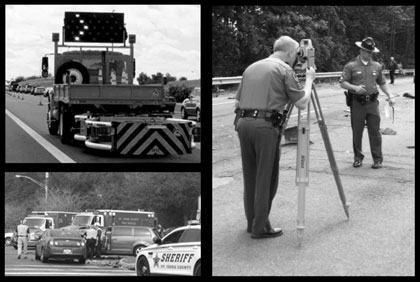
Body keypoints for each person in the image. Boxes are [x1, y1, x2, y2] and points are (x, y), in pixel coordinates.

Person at [234, 35, 316, 239]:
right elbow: (302, 103)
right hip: (266, 127)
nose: (297, 57)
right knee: (266, 178)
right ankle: (261, 227)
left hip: (243, 124)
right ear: (290, 52)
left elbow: (237, 103)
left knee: (251, 176)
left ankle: (252, 221)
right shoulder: (284, 70)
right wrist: (309, 81)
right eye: (296, 53)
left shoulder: (251, 68)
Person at [339, 37, 395, 169]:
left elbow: (382, 82)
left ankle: (377, 159)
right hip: (357, 103)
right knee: (357, 132)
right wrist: (354, 88)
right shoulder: (351, 66)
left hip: (372, 103)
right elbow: (343, 83)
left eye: (371, 52)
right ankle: (358, 158)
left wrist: (390, 95)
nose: (369, 54)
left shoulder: (377, 66)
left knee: (375, 132)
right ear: (361, 50)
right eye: (366, 51)